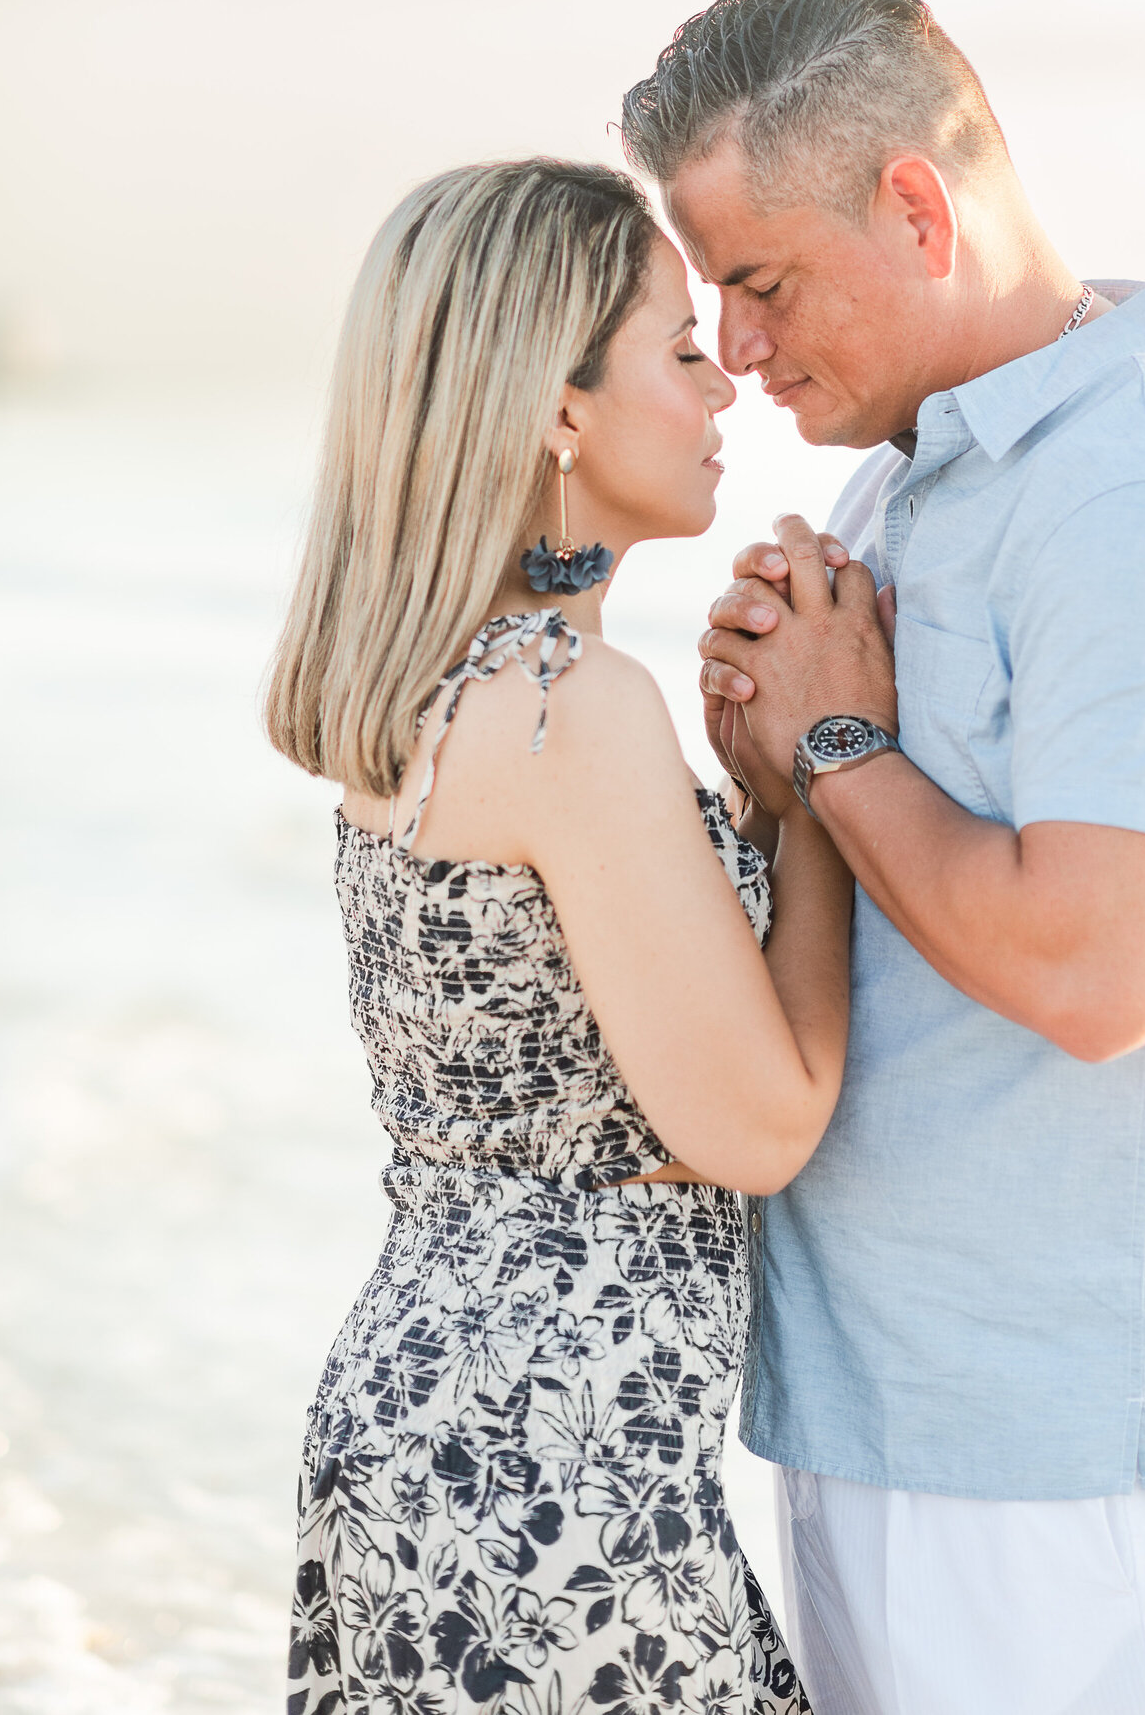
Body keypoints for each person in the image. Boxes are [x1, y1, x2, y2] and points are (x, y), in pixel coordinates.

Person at [620, 0, 1145, 1715]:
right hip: (892, 1409)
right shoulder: (912, 478)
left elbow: (1095, 967)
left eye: (761, 280)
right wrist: (777, 768)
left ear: (914, 206)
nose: (737, 346)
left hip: (1083, 1452)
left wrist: (839, 740)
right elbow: (886, 874)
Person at [264, 158, 852, 1715]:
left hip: (426, 1437)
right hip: (550, 1471)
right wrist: (822, 791)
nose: (724, 374)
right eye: (675, 346)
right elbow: (764, 1122)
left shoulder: (425, 697)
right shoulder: (568, 711)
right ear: (558, 410)